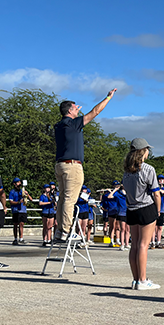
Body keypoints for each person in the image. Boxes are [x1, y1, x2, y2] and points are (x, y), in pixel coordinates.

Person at [54, 89, 117, 243]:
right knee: (70, 199)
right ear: (69, 110)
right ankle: (66, 231)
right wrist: (108, 97)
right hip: (72, 166)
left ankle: (59, 230)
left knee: (62, 199)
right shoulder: (73, 124)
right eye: (76, 108)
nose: (78, 109)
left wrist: (75, 110)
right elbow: (94, 112)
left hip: (60, 165)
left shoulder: (58, 126)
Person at [122, 138, 162, 290]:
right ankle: (143, 280)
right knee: (144, 245)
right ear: (143, 151)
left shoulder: (127, 171)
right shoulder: (148, 169)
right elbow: (156, 193)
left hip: (131, 208)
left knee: (135, 245)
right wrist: (158, 210)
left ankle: (135, 279)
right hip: (146, 207)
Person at [8, 177, 30, 245]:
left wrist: (27, 194)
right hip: (16, 210)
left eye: (19, 182)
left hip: (23, 210)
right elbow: (11, 202)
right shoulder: (12, 192)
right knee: (15, 224)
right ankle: (15, 239)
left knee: (22, 224)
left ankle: (21, 238)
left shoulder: (22, 191)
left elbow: (31, 199)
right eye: (17, 182)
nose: (19, 184)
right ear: (14, 184)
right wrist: (18, 202)